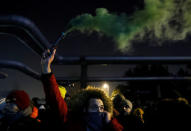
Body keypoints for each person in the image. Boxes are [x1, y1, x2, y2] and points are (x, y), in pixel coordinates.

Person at [40, 49, 123, 131]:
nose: (99, 111)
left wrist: (111, 123)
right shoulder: (74, 123)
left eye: (102, 107)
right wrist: (46, 68)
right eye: (94, 107)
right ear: (84, 109)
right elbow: (56, 101)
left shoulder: (108, 125)